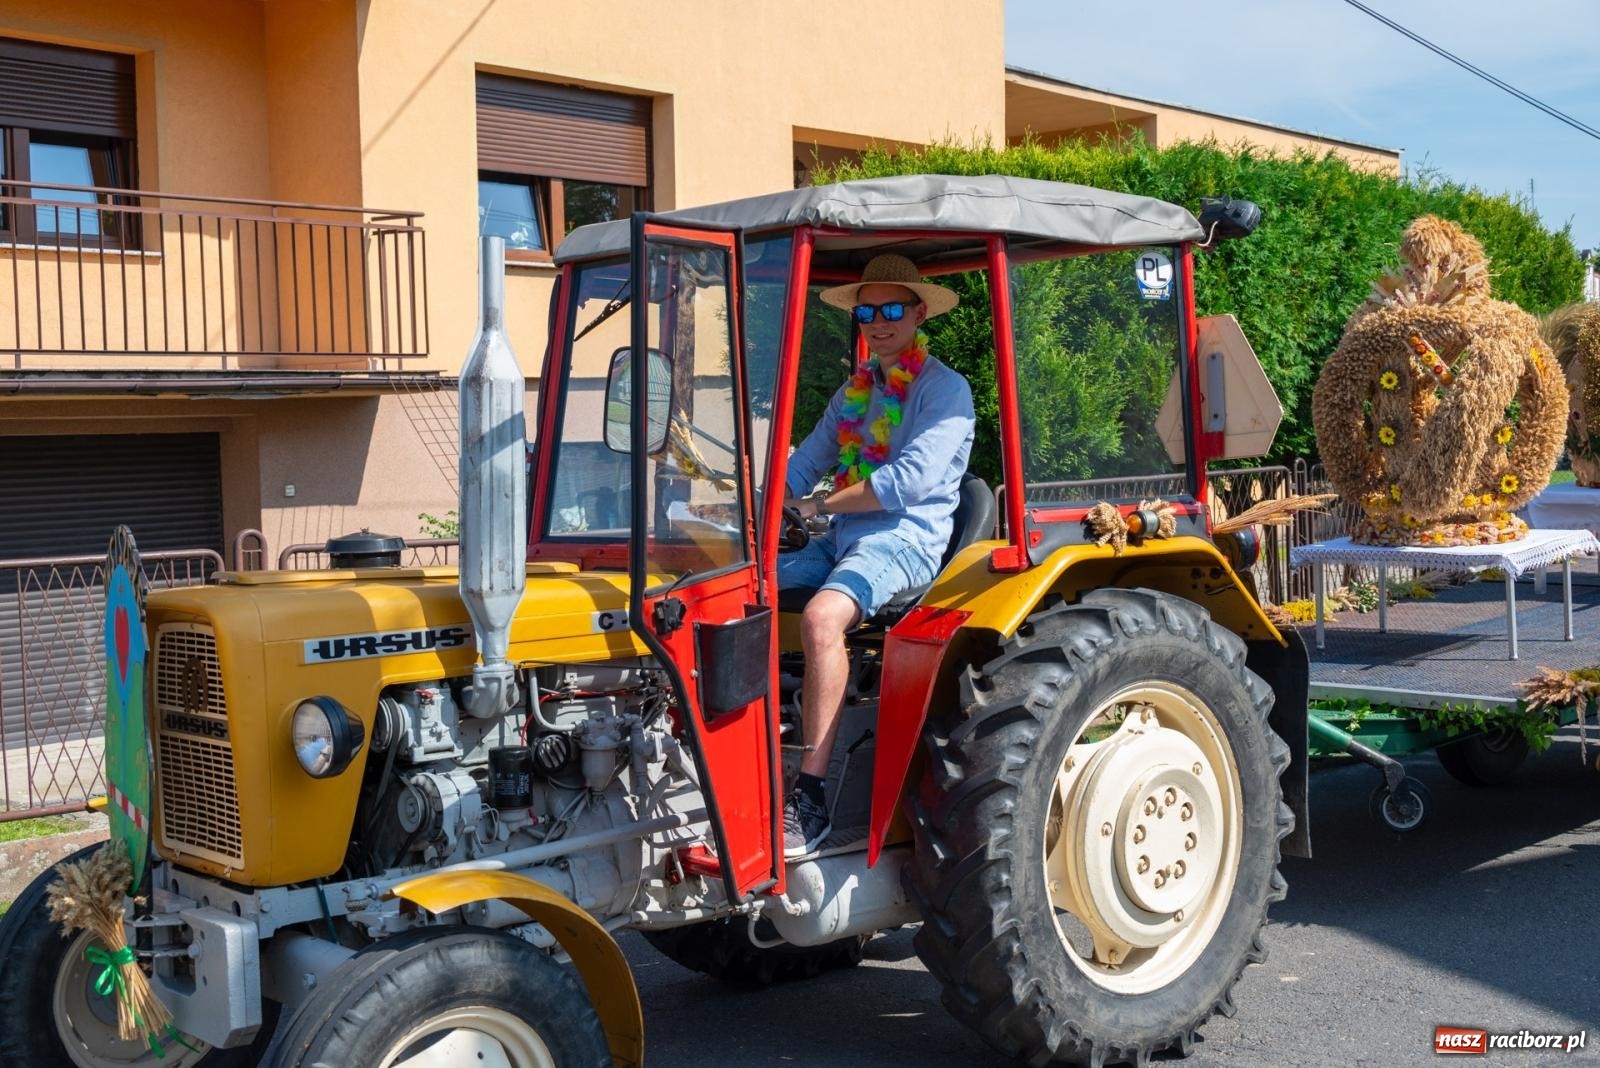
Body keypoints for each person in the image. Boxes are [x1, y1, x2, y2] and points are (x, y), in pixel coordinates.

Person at [778, 253, 975, 857]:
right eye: (867, 311)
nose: (878, 322)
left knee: (820, 618)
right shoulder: (856, 390)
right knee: (735, 592)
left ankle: (808, 795)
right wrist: (755, 504)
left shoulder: (945, 390)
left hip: (904, 541)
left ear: (918, 313)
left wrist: (813, 508)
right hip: (841, 537)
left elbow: (904, 485)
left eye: (892, 309)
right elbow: (806, 461)